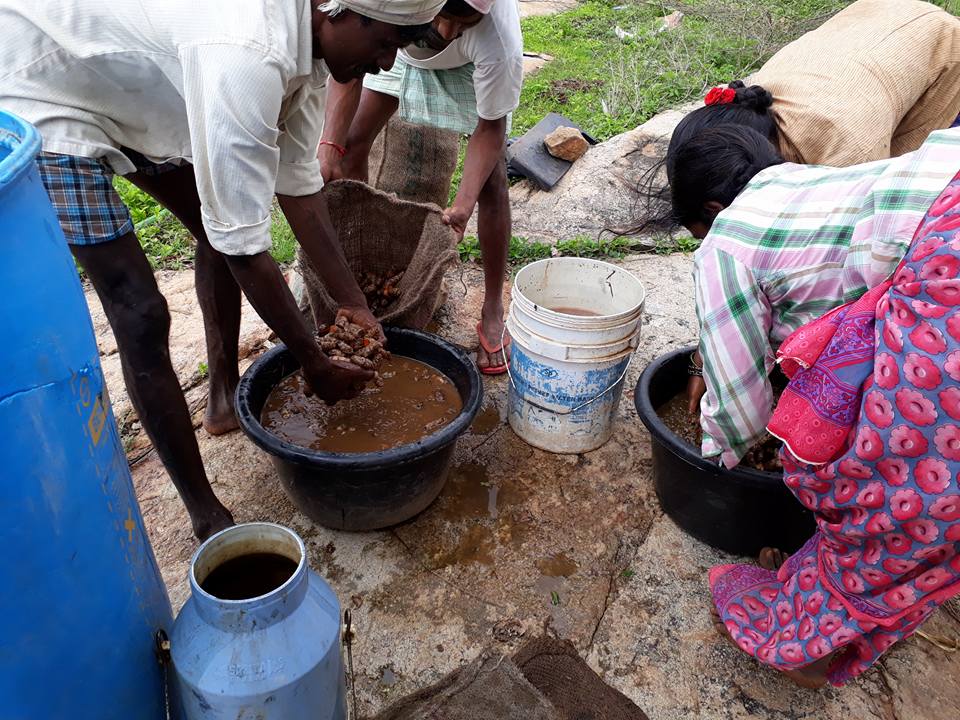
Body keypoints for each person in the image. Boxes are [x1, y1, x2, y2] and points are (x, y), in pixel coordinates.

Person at [0, 0, 445, 539]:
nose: (386, 63)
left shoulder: (309, 50)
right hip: (41, 89)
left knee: (217, 221)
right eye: (386, 43)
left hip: (133, 89)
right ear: (338, 10)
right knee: (140, 314)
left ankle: (222, 393)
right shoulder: (246, 51)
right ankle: (206, 513)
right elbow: (243, 246)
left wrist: (351, 301)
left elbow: (299, 185)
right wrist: (312, 361)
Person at [669, 124, 960, 686]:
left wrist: (718, 454)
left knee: (892, 487)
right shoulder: (798, 182)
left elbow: (739, 411)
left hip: (947, 264)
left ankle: (806, 643)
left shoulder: (724, 244)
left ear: (711, 212)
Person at [319, 0, 523, 374]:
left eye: (463, 25)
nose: (447, 32)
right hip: (398, 45)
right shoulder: (388, 8)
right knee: (351, 144)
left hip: (465, 66)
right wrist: (330, 144)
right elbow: (349, 67)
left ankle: (493, 309)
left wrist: (463, 204)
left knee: (491, 181)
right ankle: (357, 270)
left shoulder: (497, 39)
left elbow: (490, 129)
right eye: (445, 17)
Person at [669, 0, 960, 168]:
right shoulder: (753, 100)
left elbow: (865, 217)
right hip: (875, 18)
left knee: (918, 174)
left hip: (937, 43)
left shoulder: (846, 150)